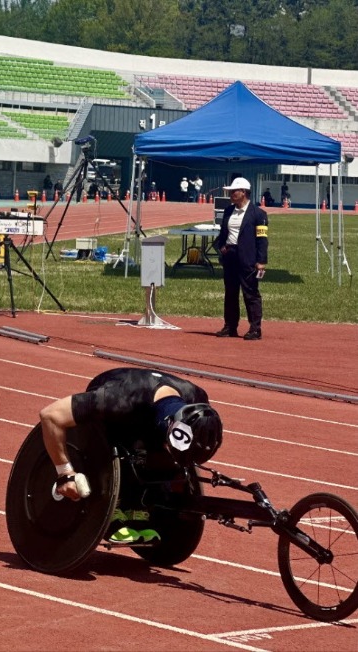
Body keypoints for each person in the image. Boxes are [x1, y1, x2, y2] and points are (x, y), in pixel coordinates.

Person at [40, 367, 223, 543]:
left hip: (148, 408)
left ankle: (144, 504)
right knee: (137, 451)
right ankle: (116, 505)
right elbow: (50, 415)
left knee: (164, 460)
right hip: (119, 402)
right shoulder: (117, 399)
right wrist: (65, 473)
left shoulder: (198, 402)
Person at [213, 177, 268, 340]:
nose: (231, 194)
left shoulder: (258, 214)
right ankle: (230, 326)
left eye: (233, 191)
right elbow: (223, 232)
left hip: (248, 257)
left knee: (250, 293)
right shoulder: (228, 211)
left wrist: (261, 261)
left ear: (243, 192)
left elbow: (262, 239)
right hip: (230, 255)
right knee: (230, 293)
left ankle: (255, 329)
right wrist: (222, 246)